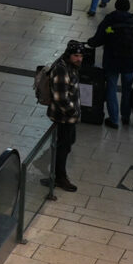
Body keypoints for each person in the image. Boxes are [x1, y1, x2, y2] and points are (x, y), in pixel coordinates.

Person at [35, 39, 89, 191]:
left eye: (81, 56)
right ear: (69, 55)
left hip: (68, 117)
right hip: (64, 117)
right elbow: (61, 98)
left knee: (67, 143)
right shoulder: (61, 70)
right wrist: (74, 112)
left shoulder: (70, 66)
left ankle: (56, 173)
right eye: (76, 56)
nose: (79, 59)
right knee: (63, 147)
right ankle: (59, 177)